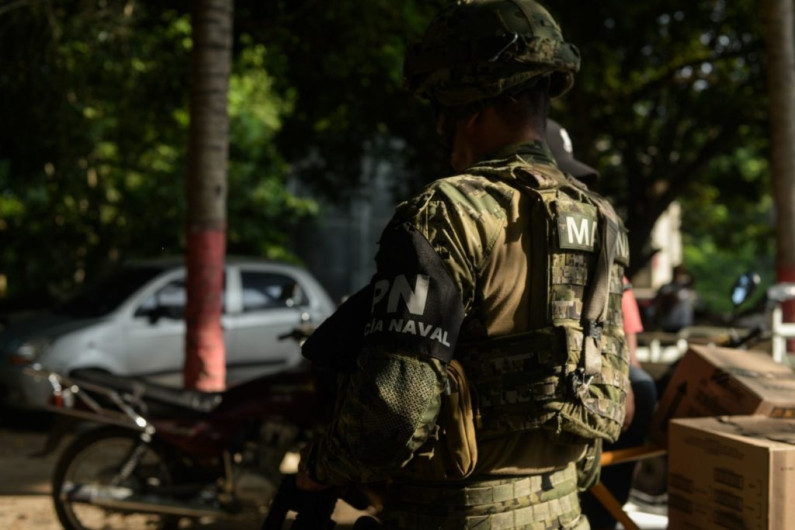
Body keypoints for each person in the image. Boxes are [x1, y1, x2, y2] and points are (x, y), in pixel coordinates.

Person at [296, 2, 631, 528]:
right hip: (566, 515)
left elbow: (393, 413)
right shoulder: (600, 217)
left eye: (438, 104)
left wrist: (315, 470)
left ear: (465, 105)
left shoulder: (447, 212)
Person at [547, 119, 658, 529]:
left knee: (642, 387)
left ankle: (603, 516)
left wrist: (622, 377)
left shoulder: (599, 241)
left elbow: (627, 340)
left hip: (591, 369)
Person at [651, 264, 696, 332]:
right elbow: (656, 302)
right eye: (677, 273)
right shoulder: (666, 288)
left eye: (681, 274)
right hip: (667, 323)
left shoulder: (687, 290)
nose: (679, 276)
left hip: (684, 323)